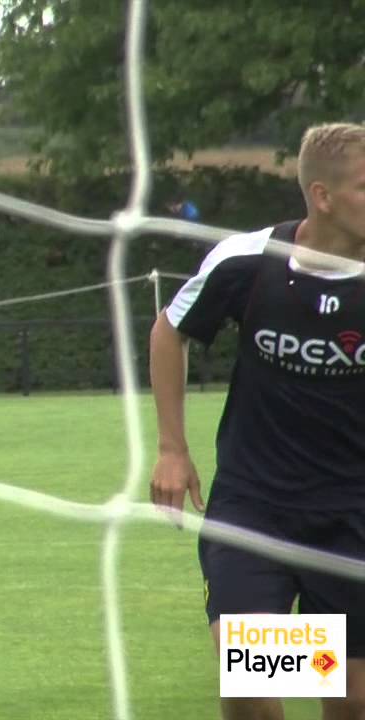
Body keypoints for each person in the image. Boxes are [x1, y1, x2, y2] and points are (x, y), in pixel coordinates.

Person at [150, 122, 364, 720]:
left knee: (350, 697)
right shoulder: (247, 261)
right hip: (254, 507)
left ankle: (330, 660)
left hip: (353, 513)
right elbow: (170, 330)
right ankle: (317, 655)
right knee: (247, 683)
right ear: (322, 196)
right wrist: (172, 448)